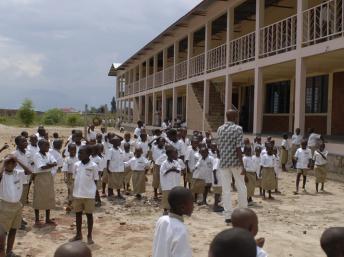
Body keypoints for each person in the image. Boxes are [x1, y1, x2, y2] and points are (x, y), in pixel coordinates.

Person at [217, 109, 247, 224]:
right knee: (241, 186)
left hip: (224, 162)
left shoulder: (220, 129)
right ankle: (242, 212)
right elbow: (238, 148)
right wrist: (242, 165)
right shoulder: (238, 129)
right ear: (235, 117)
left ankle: (228, 215)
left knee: (226, 189)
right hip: (235, 162)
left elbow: (219, 146)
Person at [0, 156, 32, 257]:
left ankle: (9, 251)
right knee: (2, 232)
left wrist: (18, 160)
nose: (11, 165)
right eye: (8, 163)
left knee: (13, 229)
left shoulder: (18, 173)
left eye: (12, 163)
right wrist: (4, 162)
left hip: (17, 206)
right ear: (5, 164)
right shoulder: (3, 175)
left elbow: (29, 172)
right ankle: (2, 252)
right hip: (4, 205)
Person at [152, 187, 193, 257]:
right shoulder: (180, 230)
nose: (193, 207)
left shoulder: (161, 220)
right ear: (182, 208)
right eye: (192, 203)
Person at [70, 145, 99, 245]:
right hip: (77, 194)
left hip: (89, 195)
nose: (79, 154)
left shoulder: (94, 166)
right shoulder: (76, 165)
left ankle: (89, 236)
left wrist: (96, 195)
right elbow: (75, 178)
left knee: (89, 215)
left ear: (88, 154)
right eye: (79, 152)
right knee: (78, 214)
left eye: (81, 153)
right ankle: (78, 234)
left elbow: (95, 180)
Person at [33, 139, 57, 227]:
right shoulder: (37, 155)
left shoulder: (48, 154)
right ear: (40, 146)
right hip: (40, 177)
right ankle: (37, 219)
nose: (48, 147)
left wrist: (50, 164)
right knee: (38, 197)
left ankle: (47, 218)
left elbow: (55, 162)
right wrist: (51, 164)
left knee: (49, 197)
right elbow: (42, 167)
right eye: (46, 145)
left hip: (48, 176)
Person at [159, 146, 181, 214]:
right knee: (166, 198)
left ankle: (172, 210)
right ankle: (165, 210)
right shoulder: (164, 163)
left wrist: (173, 169)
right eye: (174, 153)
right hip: (166, 184)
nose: (175, 155)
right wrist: (171, 169)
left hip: (174, 183)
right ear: (169, 154)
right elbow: (163, 172)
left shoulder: (176, 162)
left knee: (173, 198)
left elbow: (178, 170)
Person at [62, 144, 78, 212]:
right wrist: (65, 177)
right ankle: (70, 204)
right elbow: (65, 169)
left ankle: (75, 204)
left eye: (74, 150)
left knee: (76, 190)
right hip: (70, 176)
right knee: (70, 190)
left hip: (77, 175)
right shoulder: (67, 159)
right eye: (71, 150)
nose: (73, 152)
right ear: (68, 150)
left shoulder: (78, 158)